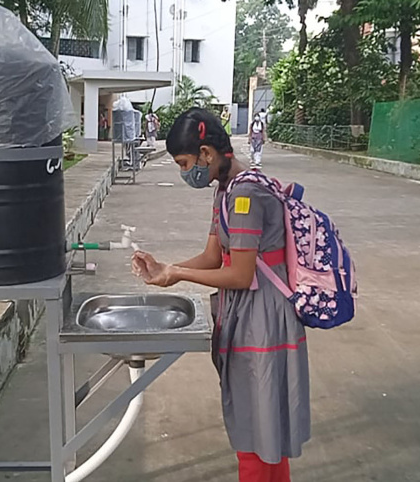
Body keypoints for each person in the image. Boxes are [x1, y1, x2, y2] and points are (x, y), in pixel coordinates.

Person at [132, 107, 310, 482]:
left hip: (262, 321)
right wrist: (168, 269)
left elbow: (241, 274)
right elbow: (214, 258)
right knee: (265, 427)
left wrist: (178, 273)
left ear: (207, 154)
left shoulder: (245, 194)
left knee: (255, 429)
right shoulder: (225, 189)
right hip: (245, 315)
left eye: (185, 163)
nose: (185, 173)